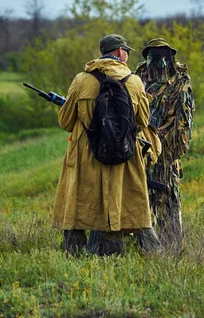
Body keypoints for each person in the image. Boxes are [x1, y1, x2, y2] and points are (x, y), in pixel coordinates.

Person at [52, 34, 161, 256]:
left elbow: (65, 122)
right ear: (121, 52)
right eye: (127, 52)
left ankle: (74, 254)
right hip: (123, 154)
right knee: (120, 203)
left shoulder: (82, 79)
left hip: (86, 155)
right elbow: (142, 121)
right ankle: (115, 254)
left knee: (78, 204)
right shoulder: (135, 82)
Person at [134, 38, 195, 248]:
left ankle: (173, 247)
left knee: (168, 201)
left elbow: (184, 123)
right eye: (154, 56)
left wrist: (170, 153)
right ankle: (143, 245)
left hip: (167, 151)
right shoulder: (138, 77)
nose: (160, 62)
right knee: (140, 200)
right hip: (139, 149)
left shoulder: (180, 81)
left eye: (164, 56)